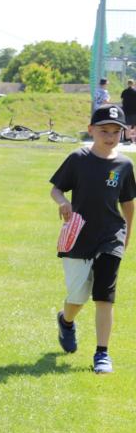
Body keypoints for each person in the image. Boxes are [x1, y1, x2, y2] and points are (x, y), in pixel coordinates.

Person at [51, 105, 136, 374]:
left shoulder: (125, 165)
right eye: (104, 131)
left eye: (115, 132)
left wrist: (127, 234)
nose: (110, 136)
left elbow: (128, 203)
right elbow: (56, 189)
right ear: (91, 130)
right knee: (78, 297)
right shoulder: (78, 158)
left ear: (123, 133)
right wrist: (63, 202)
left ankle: (102, 354)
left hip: (111, 235)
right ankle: (66, 321)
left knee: (104, 295)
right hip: (79, 235)